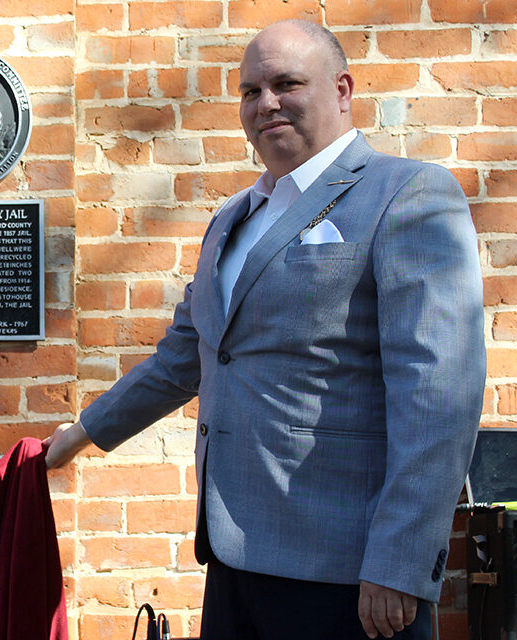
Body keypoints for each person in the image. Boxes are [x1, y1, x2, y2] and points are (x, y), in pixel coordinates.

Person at [45, 19, 484, 640]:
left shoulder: (406, 194)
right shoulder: (232, 219)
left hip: (351, 574)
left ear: (341, 90)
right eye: (250, 91)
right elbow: (186, 357)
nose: (266, 103)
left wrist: (401, 562)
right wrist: (76, 438)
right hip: (233, 557)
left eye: (286, 84)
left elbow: (440, 395)